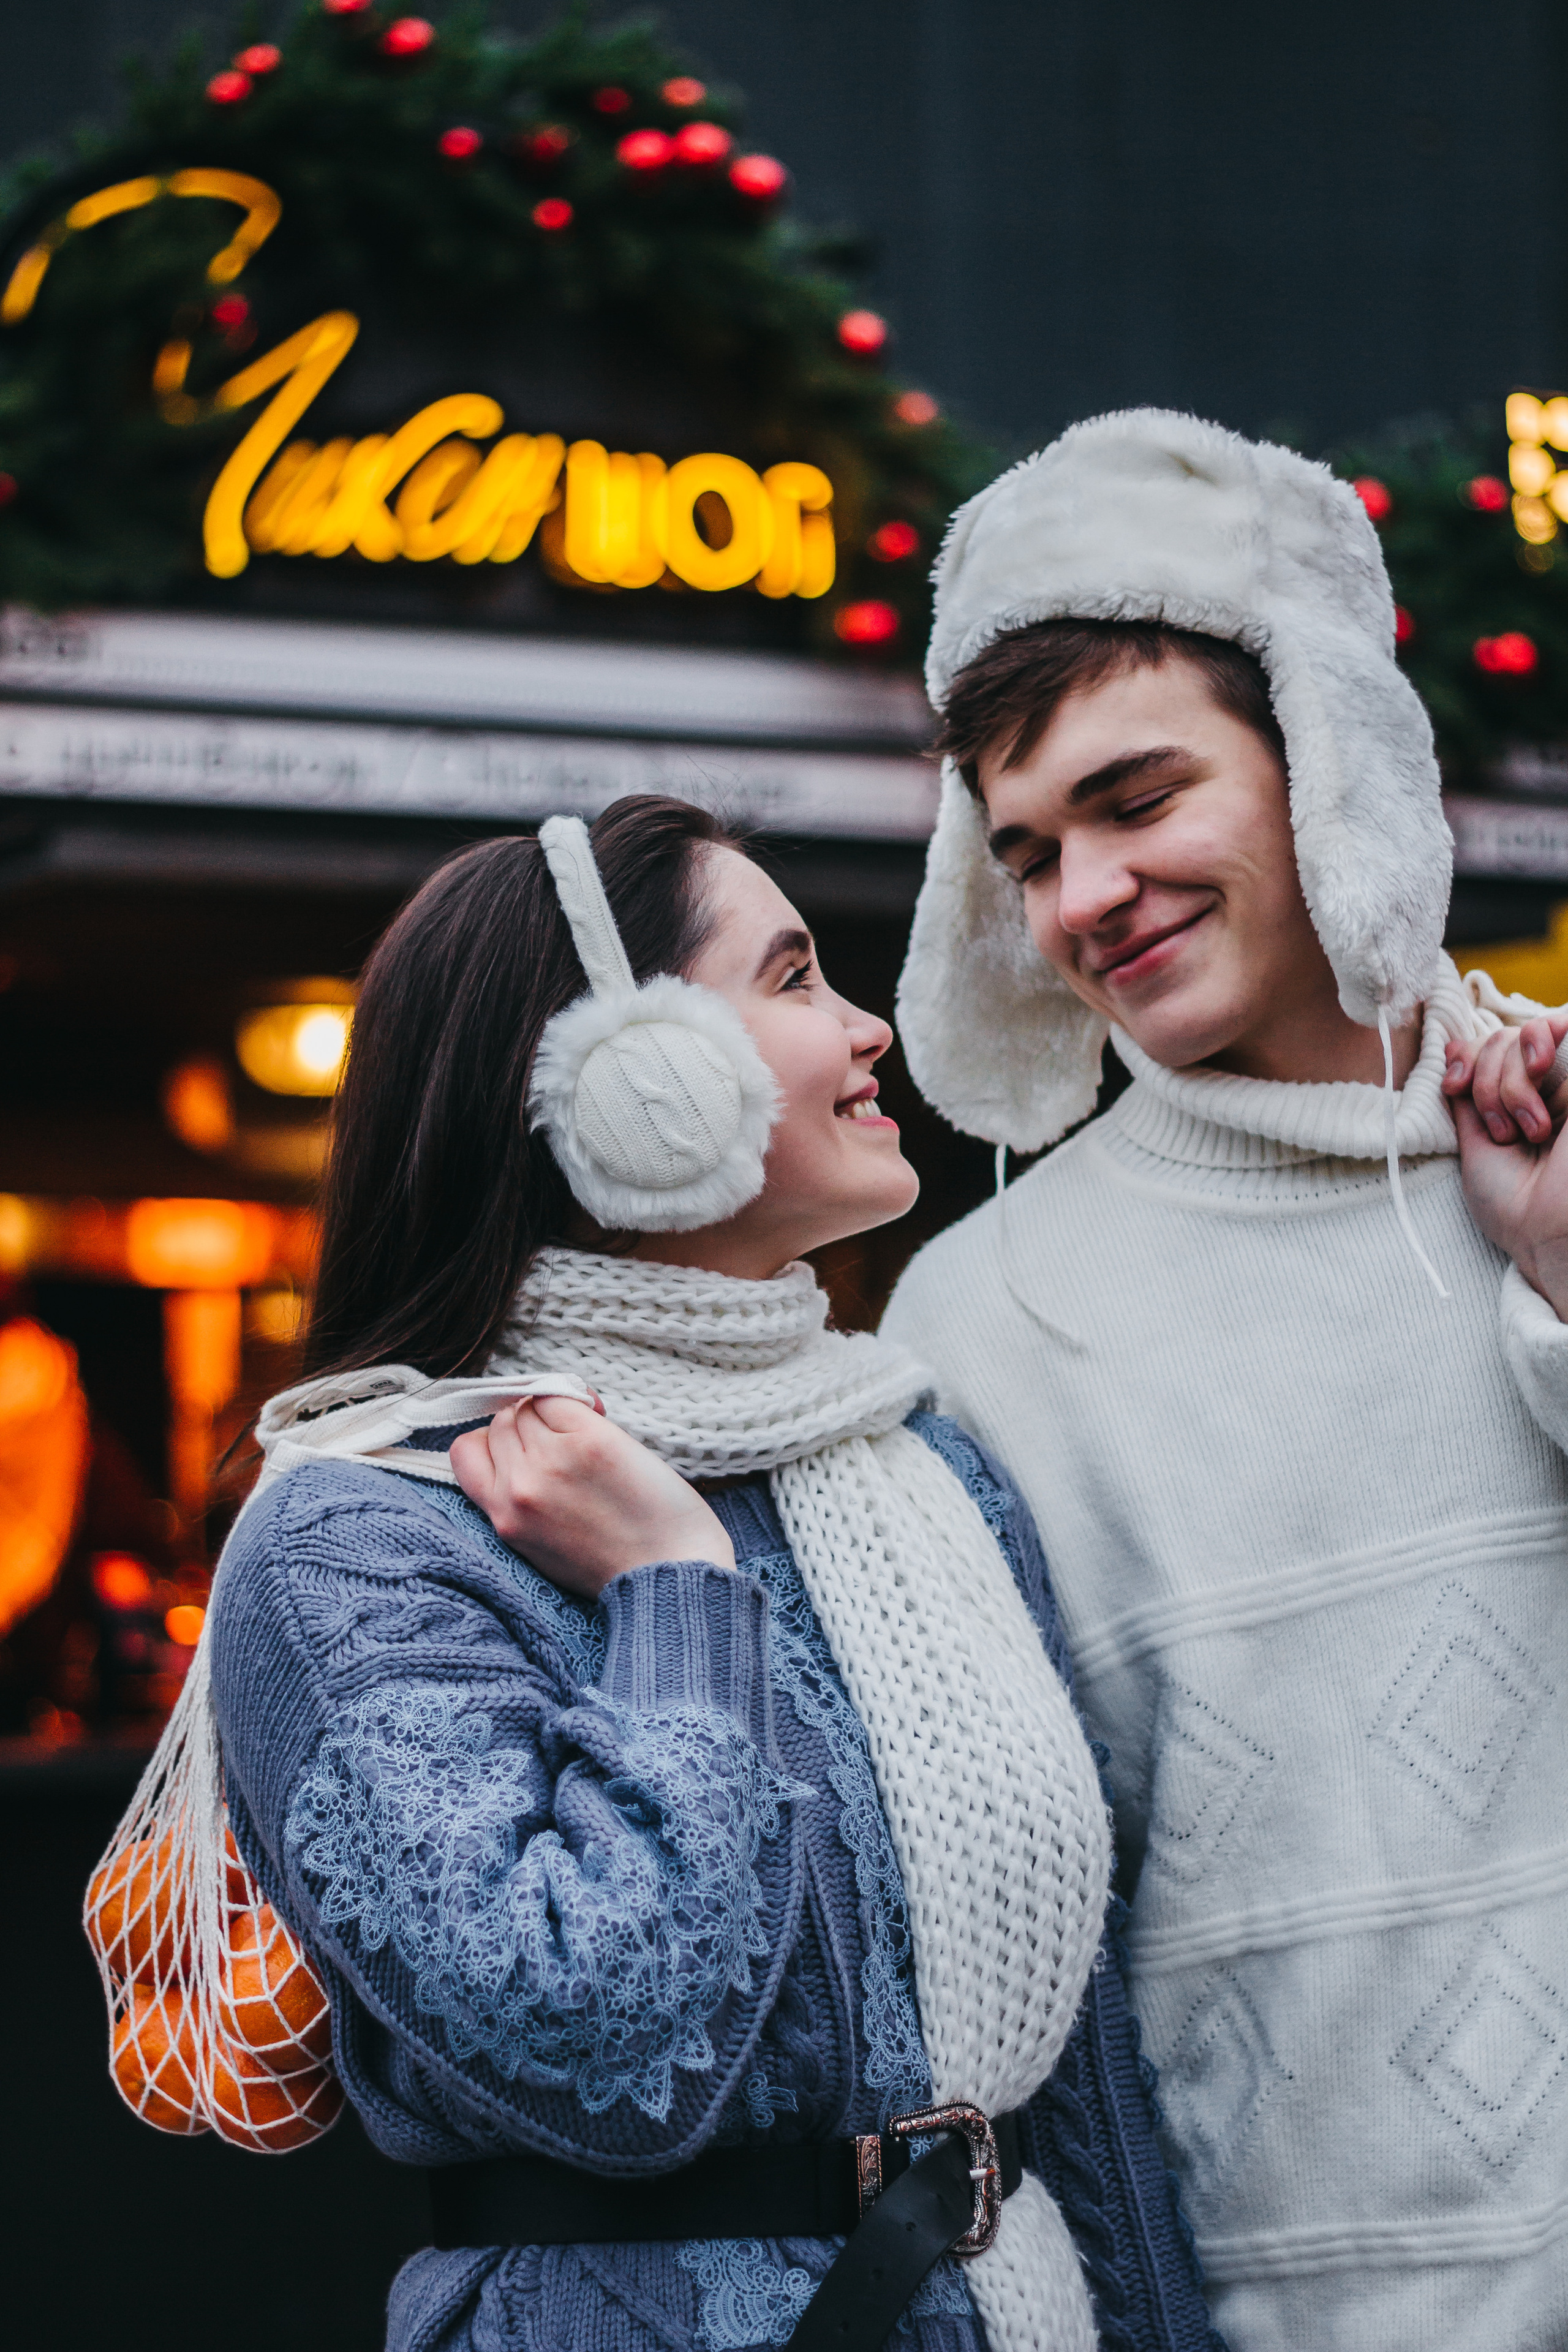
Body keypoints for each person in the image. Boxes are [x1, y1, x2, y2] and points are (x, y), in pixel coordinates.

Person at [206, 795, 1217, 2352]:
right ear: (630, 1084)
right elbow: (598, 2046)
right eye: (797, 977)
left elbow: (1069, 2067)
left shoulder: (920, 1472)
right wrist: (676, 1598)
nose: (869, 1025)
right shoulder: (363, 1535)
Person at [882, 407, 1568, 2352]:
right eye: (1027, 852)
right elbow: (988, 1956)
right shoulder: (975, 1316)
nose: (1086, 894)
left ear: (1325, 758)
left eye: (1140, 796)